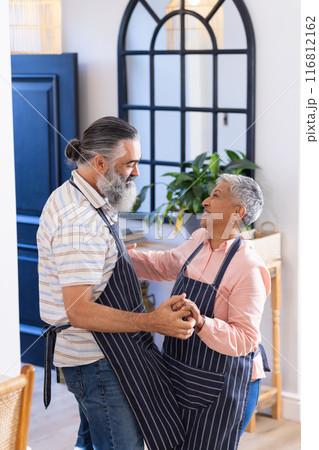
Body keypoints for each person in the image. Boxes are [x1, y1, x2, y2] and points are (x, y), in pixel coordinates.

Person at [37, 116, 195, 450]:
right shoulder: (77, 222)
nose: (136, 172)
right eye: (130, 164)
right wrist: (153, 321)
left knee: (92, 442)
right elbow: (79, 311)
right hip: (95, 360)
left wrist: (116, 257)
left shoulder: (86, 196)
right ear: (100, 162)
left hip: (101, 355)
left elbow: (93, 264)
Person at [128, 173, 271, 449]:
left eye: (216, 196)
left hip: (223, 385)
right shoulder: (199, 240)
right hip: (182, 372)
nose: (205, 201)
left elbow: (245, 339)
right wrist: (122, 257)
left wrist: (202, 322)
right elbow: (164, 264)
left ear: (237, 212)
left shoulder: (249, 268)